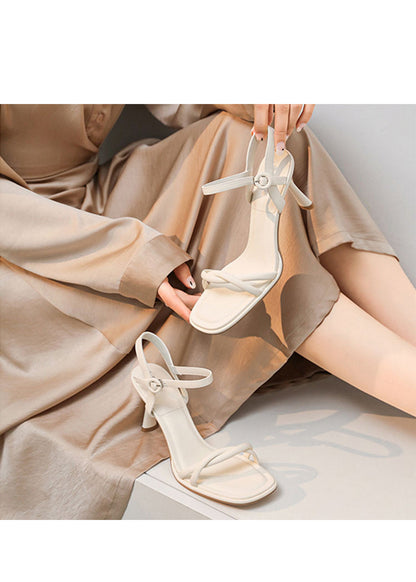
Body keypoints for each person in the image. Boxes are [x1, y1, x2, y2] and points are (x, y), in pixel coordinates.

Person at [0, 104, 415, 519]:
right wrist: (129, 255)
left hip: (96, 200)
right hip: (24, 256)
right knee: (262, 253)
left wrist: (256, 101)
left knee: (265, 139)